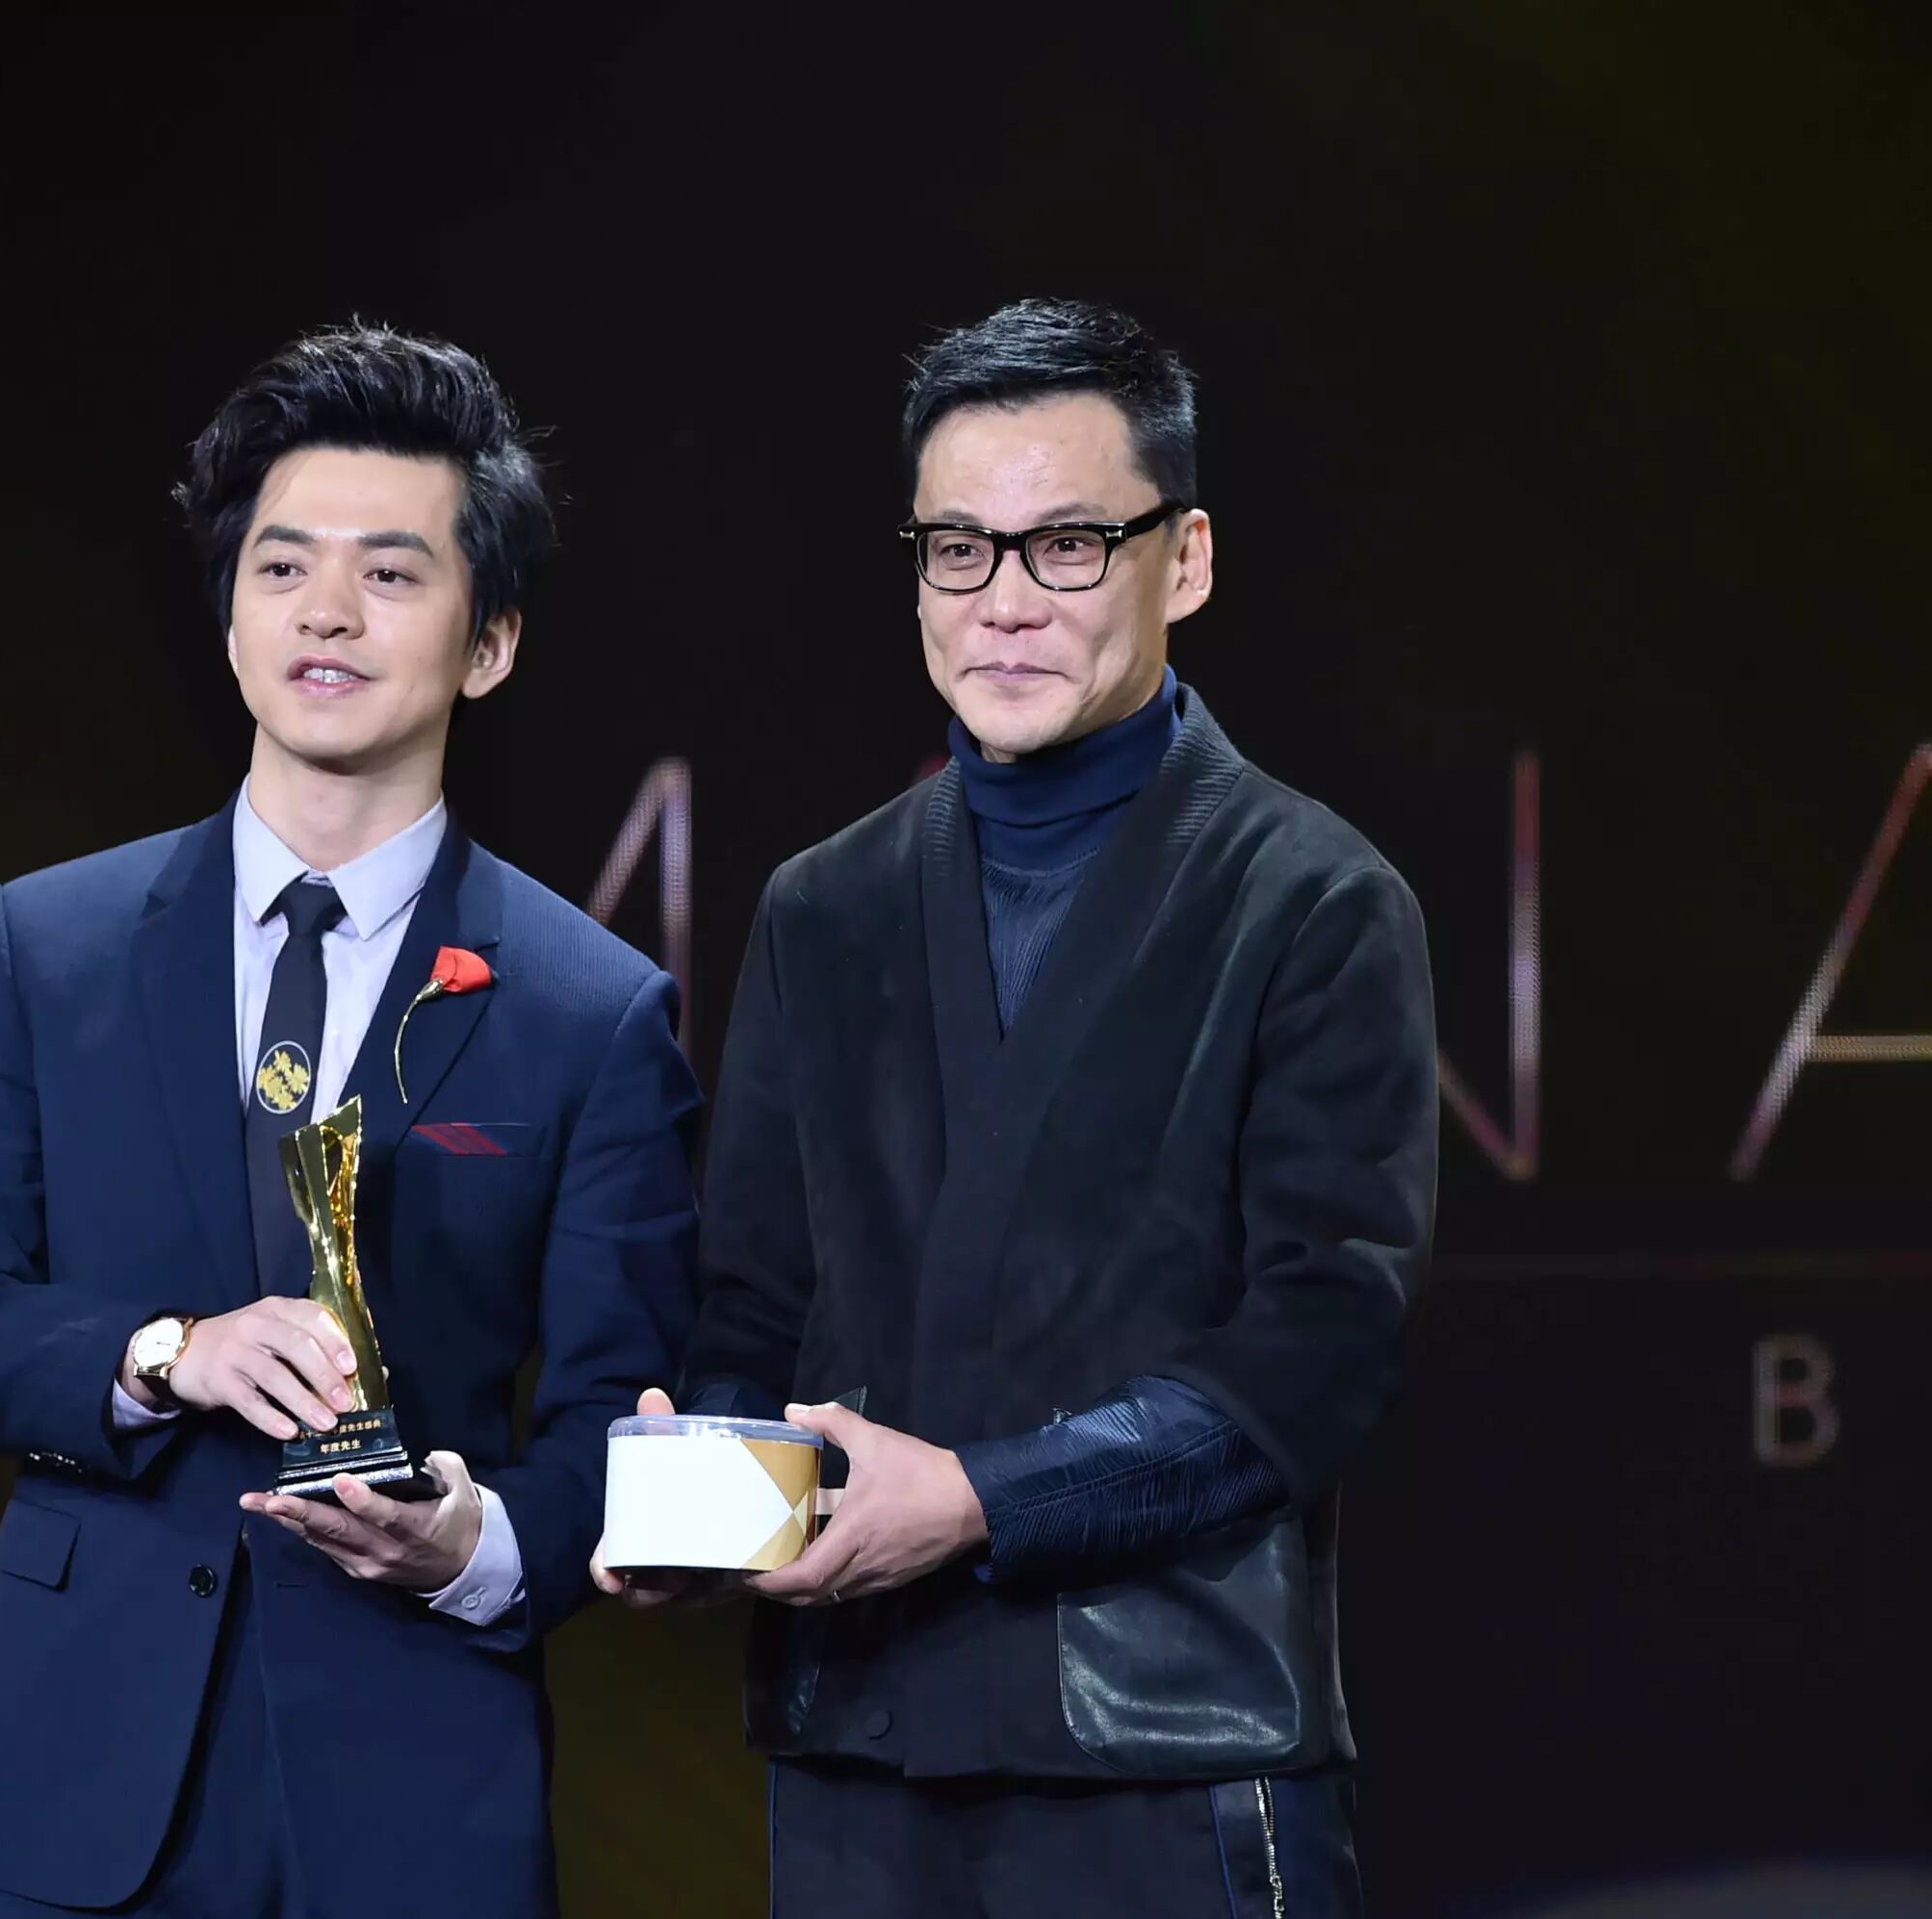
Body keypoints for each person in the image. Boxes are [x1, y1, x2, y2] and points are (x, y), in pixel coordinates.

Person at [598, 298, 1437, 1916]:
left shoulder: (1313, 900)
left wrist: (980, 1501)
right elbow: (756, 1303)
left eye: (1066, 545)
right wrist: (697, 1503)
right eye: (957, 551)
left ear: (1184, 560)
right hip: (861, 1755)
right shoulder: (824, 907)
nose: (1003, 602)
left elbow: (1317, 1348)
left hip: (1169, 1757)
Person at [0, 323, 701, 1918]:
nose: (326, 610)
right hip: (74, 1776)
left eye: (390, 573)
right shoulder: (43, 946)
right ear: (234, 615)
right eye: (282, 566)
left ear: (490, 641)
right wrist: (164, 1352)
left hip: (414, 1788)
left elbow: (622, 1410)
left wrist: (476, 1542)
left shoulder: (590, 1007)